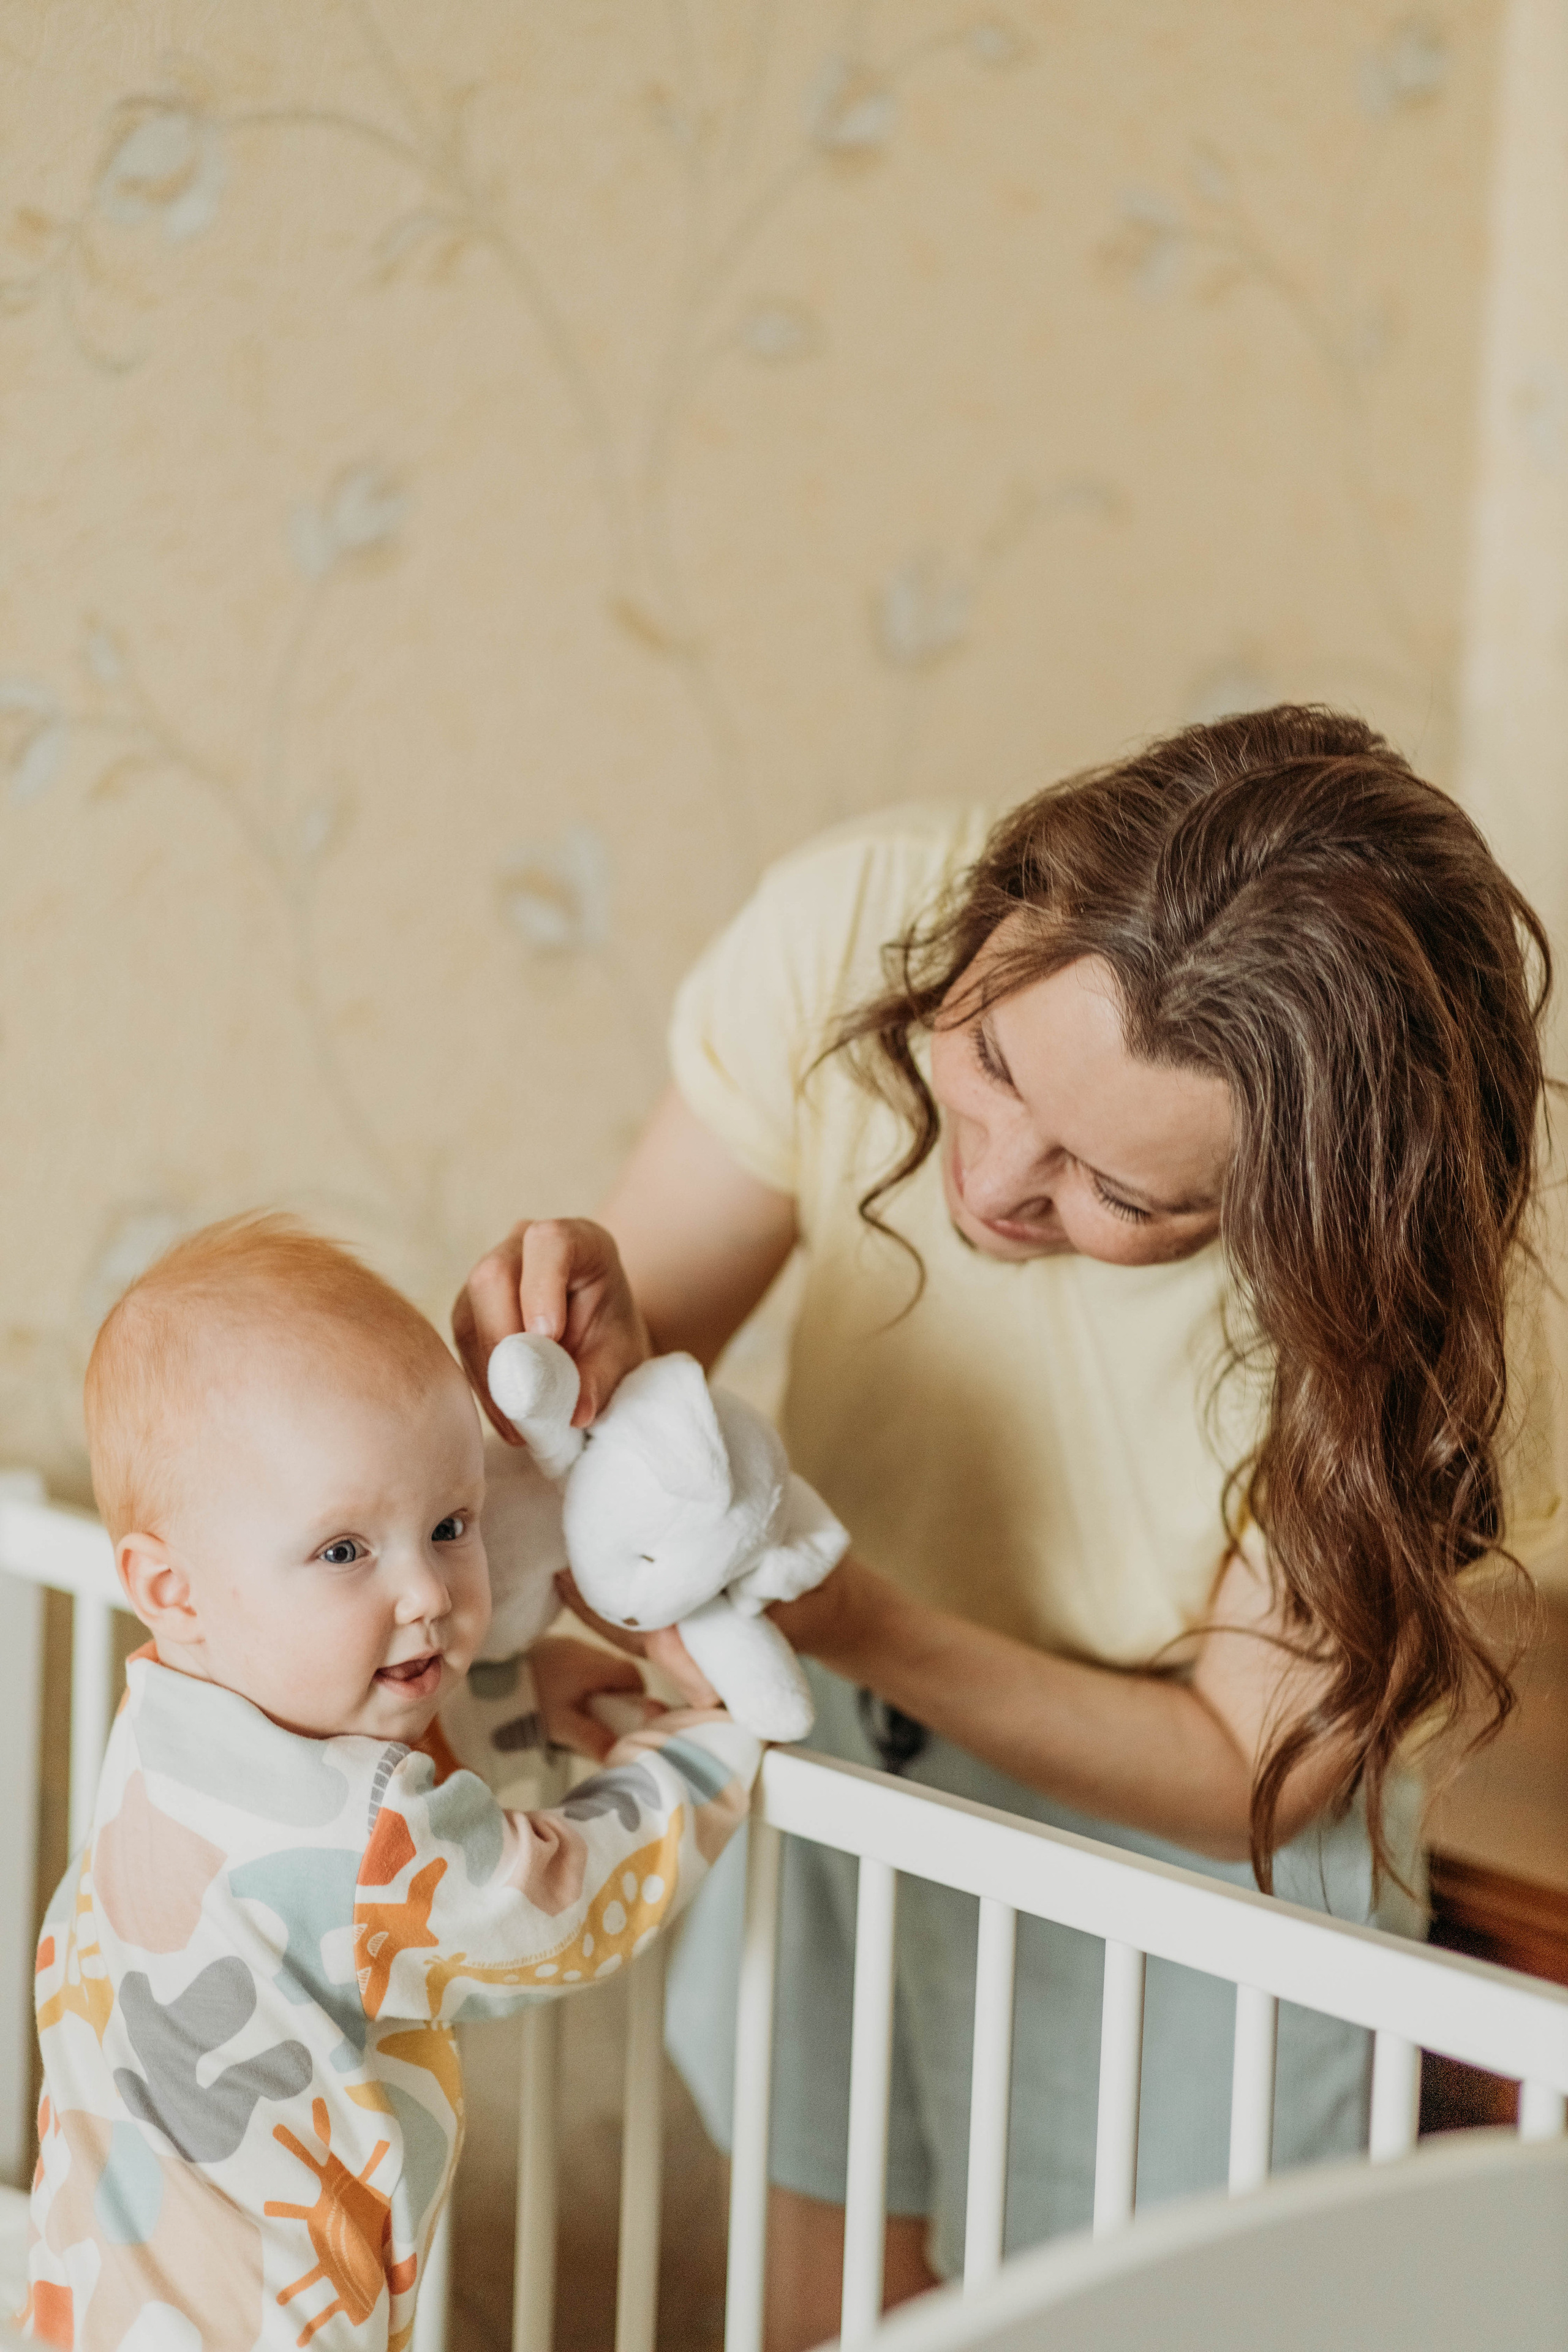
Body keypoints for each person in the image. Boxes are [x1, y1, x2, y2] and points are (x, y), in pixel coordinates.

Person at [456, 706, 1555, 2350]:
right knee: (830, 2264)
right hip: (839, 1724)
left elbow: (1245, 1759)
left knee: (1142, 2302)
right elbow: (620, 1360)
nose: (992, 1189)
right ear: (1000, 921)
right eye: (985, 1064)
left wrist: (856, 1622)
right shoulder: (854, 923)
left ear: (1297, 1221)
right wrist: (559, 1333)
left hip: (1201, 1819)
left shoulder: (1441, 1313)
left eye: (1123, 1197)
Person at [23, 1214, 757, 2351]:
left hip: (94, 2296)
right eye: (344, 1552)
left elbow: (368, 1774)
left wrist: (511, 1703)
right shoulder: (367, 1839)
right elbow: (547, 1906)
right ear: (173, 1589)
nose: (426, 1592)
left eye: (451, 1524)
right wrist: (702, 1749)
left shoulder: (171, 1716)